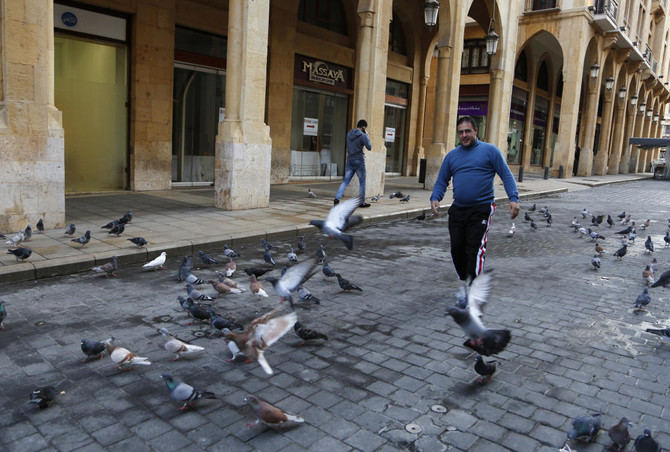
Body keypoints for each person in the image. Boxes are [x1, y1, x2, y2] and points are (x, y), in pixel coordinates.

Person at [430, 116, 520, 281]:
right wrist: (436, 197)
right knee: (457, 248)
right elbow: (442, 180)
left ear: (475, 131)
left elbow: (506, 175)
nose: (464, 135)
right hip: (458, 208)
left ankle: (473, 287)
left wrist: (513, 198)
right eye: (461, 132)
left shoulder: (490, 151)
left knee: (475, 248)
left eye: (467, 131)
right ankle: (467, 278)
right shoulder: (452, 156)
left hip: (481, 208)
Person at [334, 119, 372, 207]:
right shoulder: (363, 135)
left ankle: (337, 198)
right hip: (359, 160)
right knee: (362, 182)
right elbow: (369, 147)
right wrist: (367, 136)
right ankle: (361, 202)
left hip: (350, 160)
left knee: (345, 181)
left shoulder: (349, 134)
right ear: (363, 127)